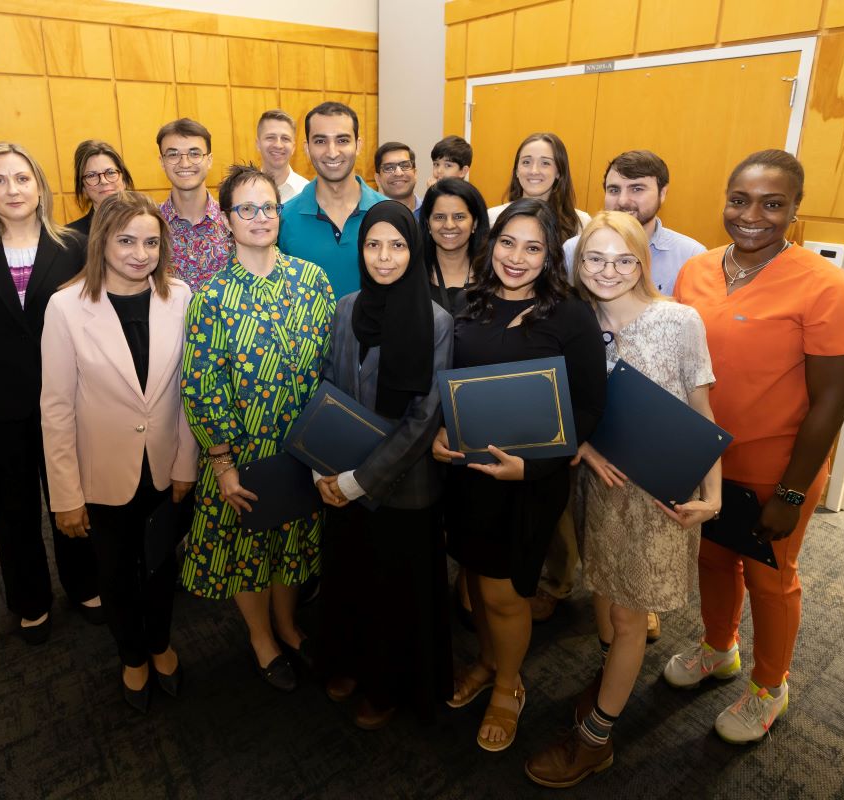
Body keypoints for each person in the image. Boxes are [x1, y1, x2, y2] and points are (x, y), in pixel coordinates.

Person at [664, 149, 844, 743]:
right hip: (707, 458)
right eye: (740, 200)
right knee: (711, 558)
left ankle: (769, 685)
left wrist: (792, 490)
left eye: (772, 204)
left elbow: (831, 402)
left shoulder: (826, 287)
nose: (753, 214)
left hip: (779, 468)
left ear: (794, 212)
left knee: (769, 577)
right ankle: (718, 648)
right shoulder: (697, 271)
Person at [523, 211, 721, 787]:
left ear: (643, 263)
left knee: (632, 617)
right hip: (596, 488)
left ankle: (596, 739)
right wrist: (581, 446)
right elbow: (554, 405)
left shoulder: (680, 322)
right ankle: (609, 676)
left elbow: (702, 414)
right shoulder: (570, 321)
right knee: (604, 594)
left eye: (623, 259)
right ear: (577, 263)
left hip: (656, 499)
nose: (608, 271)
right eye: (594, 258)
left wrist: (713, 496)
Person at [433, 198, 606, 752]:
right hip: (466, 474)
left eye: (533, 247)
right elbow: (445, 381)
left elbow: (588, 410)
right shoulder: (468, 303)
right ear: (492, 244)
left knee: (505, 593)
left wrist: (530, 467)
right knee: (476, 584)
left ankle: (510, 685)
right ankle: (487, 661)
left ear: (550, 255)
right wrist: (438, 431)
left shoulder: (571, 315)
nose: (517, 257)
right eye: (508, 242)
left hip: (529, 482)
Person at [0, 141, 100, 646]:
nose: (12, 189)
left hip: (65, 401)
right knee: (14, 509)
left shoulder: (73, 245)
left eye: (22, 178)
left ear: (40, 186)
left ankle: (84, 584)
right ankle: (30, 599)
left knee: (71, 499)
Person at [40, 190, 198, 713]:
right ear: (101, 241)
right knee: (114, 571)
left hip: (166, 463)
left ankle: (160, 642)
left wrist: (185, 464)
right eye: (126, 240)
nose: (140, 252)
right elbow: (57, 407)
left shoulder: (181, 297)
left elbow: (188, 393)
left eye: (151, 241)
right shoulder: (66, 307)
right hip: (102, 472)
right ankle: (132, 653)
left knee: (159, 567)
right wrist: (65, 496)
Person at [180, 164, 336, 692]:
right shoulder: (211, 297)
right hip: (243, 452)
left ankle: (288, 626)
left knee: (292, 545)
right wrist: (222, 464)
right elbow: (201, 386)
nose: (260, 217)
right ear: (227, 220)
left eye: (268, 207)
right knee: (248, 551)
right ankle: (260, 637)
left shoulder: (311, 281)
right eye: (246, 208)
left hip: (301, 449)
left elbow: (330, 367)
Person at [538, 150, 706, 631]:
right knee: (594, 544)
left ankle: (632, 613)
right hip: (593, 437)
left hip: (652, 438)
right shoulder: (575, 258)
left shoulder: (689, 262)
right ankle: (603, 611)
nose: (625, 200)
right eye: (614, 189)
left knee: (637, 574)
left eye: (637, 189)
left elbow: (693, 383)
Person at [317, 200, 455, 730]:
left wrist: (360, 480)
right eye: (373, 244)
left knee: (395, 594)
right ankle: (350, 663)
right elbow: (330, 383)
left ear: (413, 250)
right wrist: (323, 467)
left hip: (403, 486)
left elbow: (425, 417)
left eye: (397, 245)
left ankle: (389, 686)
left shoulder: (437, 321)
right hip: (341, 476)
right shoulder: (347, 306)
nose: (384, 256)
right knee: (352, 580)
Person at [277, 101, 385, 298]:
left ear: (358, 145)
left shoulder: (388, 213)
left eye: (342, 140)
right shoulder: (282, 219)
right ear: (307, 148)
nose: (332, 152)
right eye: (320, 141)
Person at [561, 150, 705, 294]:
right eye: (614, 190)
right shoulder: (573, 249)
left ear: (662, 194)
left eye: (636, 189)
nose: (622, 201)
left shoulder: (690, 256)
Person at [156, 118, 232, 291]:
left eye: (194, 153)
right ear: (162, 162)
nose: (185, 163)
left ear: (210, 160)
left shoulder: (232, 220)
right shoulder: (151, 223)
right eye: (173, 154)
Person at [487, 133, 590, 239]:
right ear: (517, 171)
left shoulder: (581, 223)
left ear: (559, 172)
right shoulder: (492, 218)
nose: (534, 171)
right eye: (526, 162)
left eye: (545, 163)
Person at [420, 177, 489, 310]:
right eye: (440, 217)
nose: (449, 225)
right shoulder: (413, 274)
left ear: (474, 223)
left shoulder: (492, 273)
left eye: (459, 217)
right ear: (428, 224)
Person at [67, 140, 135, 236]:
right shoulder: (70, 238)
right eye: (91, 175)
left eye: (110, 172)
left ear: (124, 180)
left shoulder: (148, 223)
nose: (103, 181)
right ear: (83, 188)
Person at [255, 109, 309, 203]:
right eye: (270, 137)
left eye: (285, 138)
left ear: (293, 147)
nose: (278, 145)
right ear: (258, 144)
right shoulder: (244, 192)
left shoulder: (308, 193)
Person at [374, 141, 421, 215]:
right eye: (389, 168)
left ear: (415, 173)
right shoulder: (370, 216)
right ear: (377, 179)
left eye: (405, 166)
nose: (398, 173)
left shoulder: (432, 212)